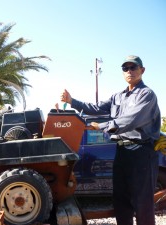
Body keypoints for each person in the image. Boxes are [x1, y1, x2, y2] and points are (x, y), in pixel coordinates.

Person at [61, 55, 161, 225]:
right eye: (125, 68)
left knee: (142, 202)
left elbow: (131, 119)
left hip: (141, 152)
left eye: (133, 67)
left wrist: (101, 126)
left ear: (142, 70)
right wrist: (72, 101)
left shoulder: (147, 95)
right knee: (121, 200)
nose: (129, 71)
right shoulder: (118, 96)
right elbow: (96, 107)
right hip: (122, 152)